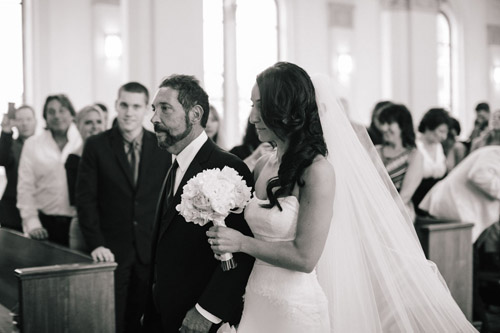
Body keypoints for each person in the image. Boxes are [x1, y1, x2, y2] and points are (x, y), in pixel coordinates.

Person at [208, 62, 476, 332]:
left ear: (285, 109)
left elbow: (306, 257)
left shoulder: (317, 171)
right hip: (256, 297)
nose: (252, 116)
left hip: (293, 306)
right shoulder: (262, 164)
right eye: (252, 105)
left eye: (259, 105)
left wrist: (241, 243)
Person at [142, 74, 255, 333]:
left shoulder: (228, 167)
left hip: (198, 318)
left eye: (165, 108)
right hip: (164, 313)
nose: (154, 119)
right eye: (153, 109)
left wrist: (207, 312)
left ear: (195, 113)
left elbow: (241, 253)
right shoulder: (172, 164)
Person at [76, 82, 170, 333]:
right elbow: (85, 200)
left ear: (146, 110)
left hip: (148, 252)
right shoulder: (97, 145)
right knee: (111, 321)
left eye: (136, 106)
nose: (129, 112)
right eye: (124, 105)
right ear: (117, 105)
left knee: (142, 321)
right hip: (110, 251)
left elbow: (167, 200)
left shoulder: (161, 146)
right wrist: (96, 243)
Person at [17, 94, 82, 245]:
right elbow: (25, 188)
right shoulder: (33, 144)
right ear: (45, 117)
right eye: (51, 112)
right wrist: (33, 224)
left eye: (62, 110)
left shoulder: (82, 141)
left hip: (78, 223)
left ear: (72, 114)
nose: (57, 116)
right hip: (44, 224)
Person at [65, 105, 106, 251]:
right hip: (84, 226)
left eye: (98, 122)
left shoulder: (113, 154)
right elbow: (78, 201)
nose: (95, 127)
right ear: (78, 126)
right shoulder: (74, 159)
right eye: (88, 122)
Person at [376, 103, 423, 221]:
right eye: (383, 123)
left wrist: (384, 215)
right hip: (372, 205)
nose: (384, 128)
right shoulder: (375, 151)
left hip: (398, 211)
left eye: (389, 123)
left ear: (402, 126)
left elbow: (405, 195)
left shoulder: (413, 156)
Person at [0, 105, 37, 231]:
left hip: (41, 209)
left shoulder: (45, 145)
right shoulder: (11, 145)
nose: (25, 124)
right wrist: (5, 131)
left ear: (35, 121)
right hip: (12, 211)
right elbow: (2, 159)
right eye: (20, 120)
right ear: (15, 123)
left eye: (28, 119)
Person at [411, 108, 450, 216]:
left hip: (435, 203)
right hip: (417, 200)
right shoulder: (415, 146)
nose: (444, 137)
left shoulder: (438, 147)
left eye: (446, 132)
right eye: (441, 131)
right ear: (429, 127)